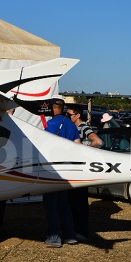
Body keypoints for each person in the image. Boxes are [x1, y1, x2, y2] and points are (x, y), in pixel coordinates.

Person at [42, 99, 80, 248]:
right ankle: (70, 235)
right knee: (64, 204)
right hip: (68, 169)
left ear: (52, 108)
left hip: (53, 169)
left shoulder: (49, 124)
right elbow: (78, 145)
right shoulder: (71, 125)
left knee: (51, 204)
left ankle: (54, 236)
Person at [67, 106, 103, 240]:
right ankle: (77, 229)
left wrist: (83, 151)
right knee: (76, 202)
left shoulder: (83, 127)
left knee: (79, 202)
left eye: (70, 114)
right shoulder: (77, 127)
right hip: (78, 169)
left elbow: (98, 141)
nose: (68, 117)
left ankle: (81, 231)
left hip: (80, 170)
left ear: (77, 115)